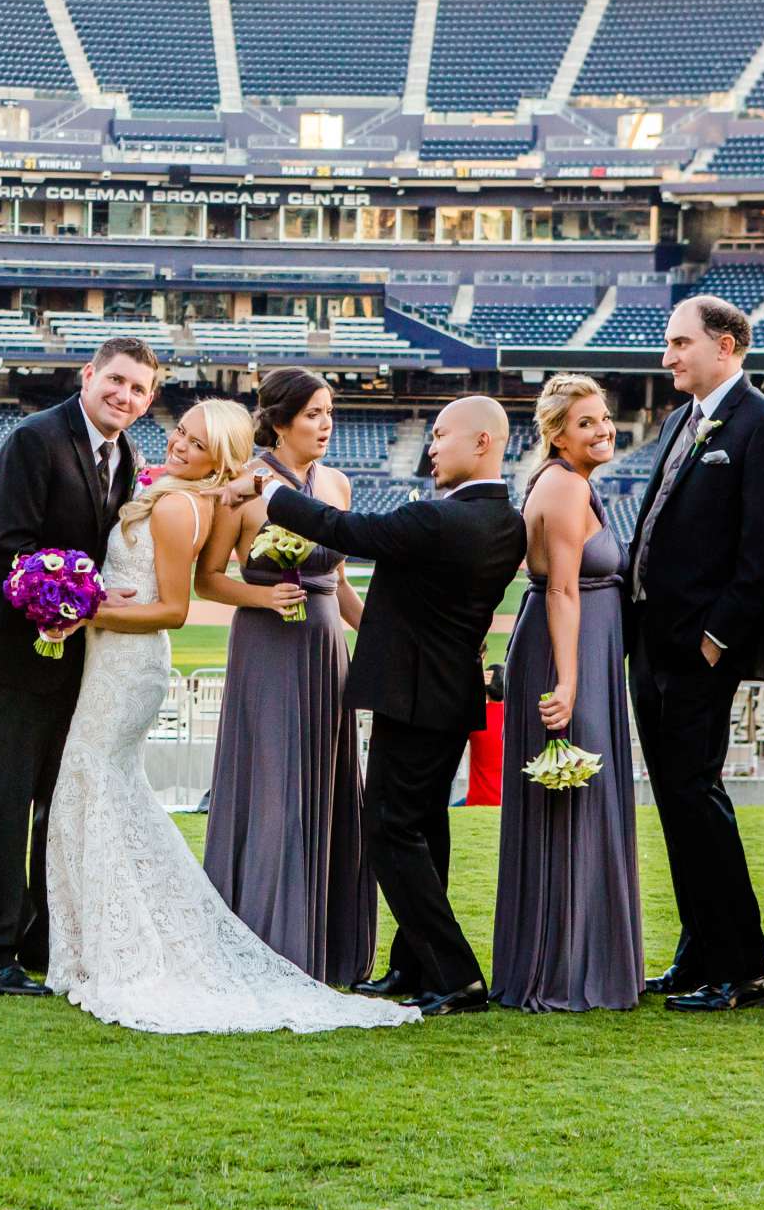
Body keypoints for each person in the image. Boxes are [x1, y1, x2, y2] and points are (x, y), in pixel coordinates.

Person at [42, 401, 415, 1034]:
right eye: (180, 432)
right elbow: (210, 580)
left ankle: (116, 940)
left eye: (196, 439)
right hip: (159, 656)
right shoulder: (189, 495)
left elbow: (179, 603)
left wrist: (86, 611)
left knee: (100, 785)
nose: (180, 443)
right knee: (104, 788)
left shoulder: (190, 501)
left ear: (221, 453)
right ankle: (97, 939)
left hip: (209, 652)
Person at [225, 396, 528, 1017]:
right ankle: (414, 964)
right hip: (447, 692)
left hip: (414, 696)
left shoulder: (442, 520)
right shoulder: (505, 521)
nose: (431, 447)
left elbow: (350, 532)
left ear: (482, 444)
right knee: (425, 827)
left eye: (441, 436)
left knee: (388, 829)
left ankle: (455, 975)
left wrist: (268, 490)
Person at [0, 337, 159, 997]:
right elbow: (14, 546)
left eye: (139, 390)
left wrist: (88, 604)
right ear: (89, 374)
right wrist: (88, 595)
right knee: (9, 803)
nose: (124, 397)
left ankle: (41, 937)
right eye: (116, 381)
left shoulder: (126, 456)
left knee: (56, 803)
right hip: (12, 654)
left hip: (75, 657)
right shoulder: (34, 440)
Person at [623, 295, 764, 1013]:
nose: (668, 357)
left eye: (680, 343)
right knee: (675, 802)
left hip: (699, 651)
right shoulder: (679, 420)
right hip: (651, 644)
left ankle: (745, 968)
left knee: (698, 796)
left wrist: (712, 640)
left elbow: (762, 552)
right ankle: (699, 951)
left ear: (726, 346)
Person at [195, 368, 372, 987]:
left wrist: (379, 639)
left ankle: (327, 945)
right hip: (267, 644)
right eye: (314, 414)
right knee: (273, 785)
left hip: (326, 644)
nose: (326, 425)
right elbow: (208, 577)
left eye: (330, 412)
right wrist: (260, 599)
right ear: (279, 421)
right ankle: (266, 939)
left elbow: (342, 581)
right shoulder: (242, 488)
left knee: (327, 785)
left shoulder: (338, 484)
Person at [492, 375, 642, 1013]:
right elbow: (559, 590)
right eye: (586, 422)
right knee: (572, 800)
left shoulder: (572, 482)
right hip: (567, 656)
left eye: (604, 419)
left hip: (589, 654)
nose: (603, 429)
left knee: (584, 800)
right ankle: (564, 969)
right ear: (555, 434)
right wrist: (570, 680)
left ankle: (583, 959)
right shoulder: (561, 484)